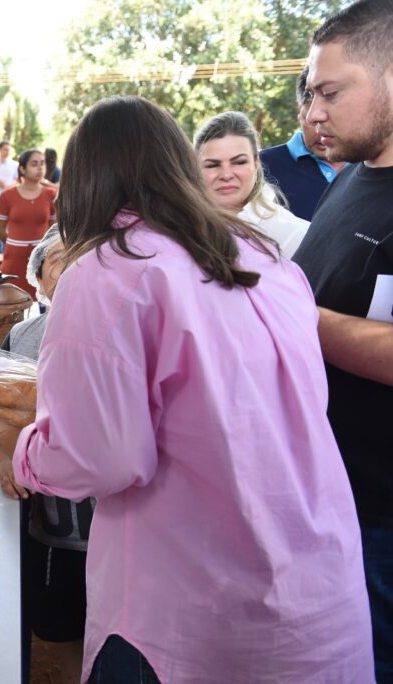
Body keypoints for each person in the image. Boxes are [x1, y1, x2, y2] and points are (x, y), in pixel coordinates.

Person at [0, 96, 373, 683]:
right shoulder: (263, 255)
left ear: (85, 181)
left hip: (188, 612)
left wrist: (17, 446)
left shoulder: (108, 273)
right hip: (316, 586)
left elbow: (100, 459)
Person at [293, 2, 393, 678]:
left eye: (332, 92)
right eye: (311, 94)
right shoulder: (353, 175)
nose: (314, 113)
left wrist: (286, 311)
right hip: (330, 498)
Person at [0, 226, 90, 684]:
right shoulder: (20, 337)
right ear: (39, 274)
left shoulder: (112, 331)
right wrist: (2, 454)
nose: (71, 263)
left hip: (110, 515)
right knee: (62, 626)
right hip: (52, 518)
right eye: (58, 257)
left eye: (82, 253)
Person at [194, 111, 309, 257]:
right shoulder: (178, 230)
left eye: (239, 162)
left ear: (256, 164)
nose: (226, 175)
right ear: (196, 168)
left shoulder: (293, 233)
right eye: (212, 165)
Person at [260, 67, 345, 220]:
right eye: (313, 121)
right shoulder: (261, 166)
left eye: (331, 119)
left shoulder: (368, 163)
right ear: (300, 111)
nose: (321, 130)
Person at [0, 149, 57, 300]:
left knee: (43, 304)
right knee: (13, 303)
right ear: (22, 169)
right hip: (14, 259)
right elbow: (0, 229)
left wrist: (42, 248)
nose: (40, 168)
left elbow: (53, 228)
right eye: (34, 164)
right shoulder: (6, 196)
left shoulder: (51, 195)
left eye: (42, 163)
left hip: (42, 260)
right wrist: (15, 244)